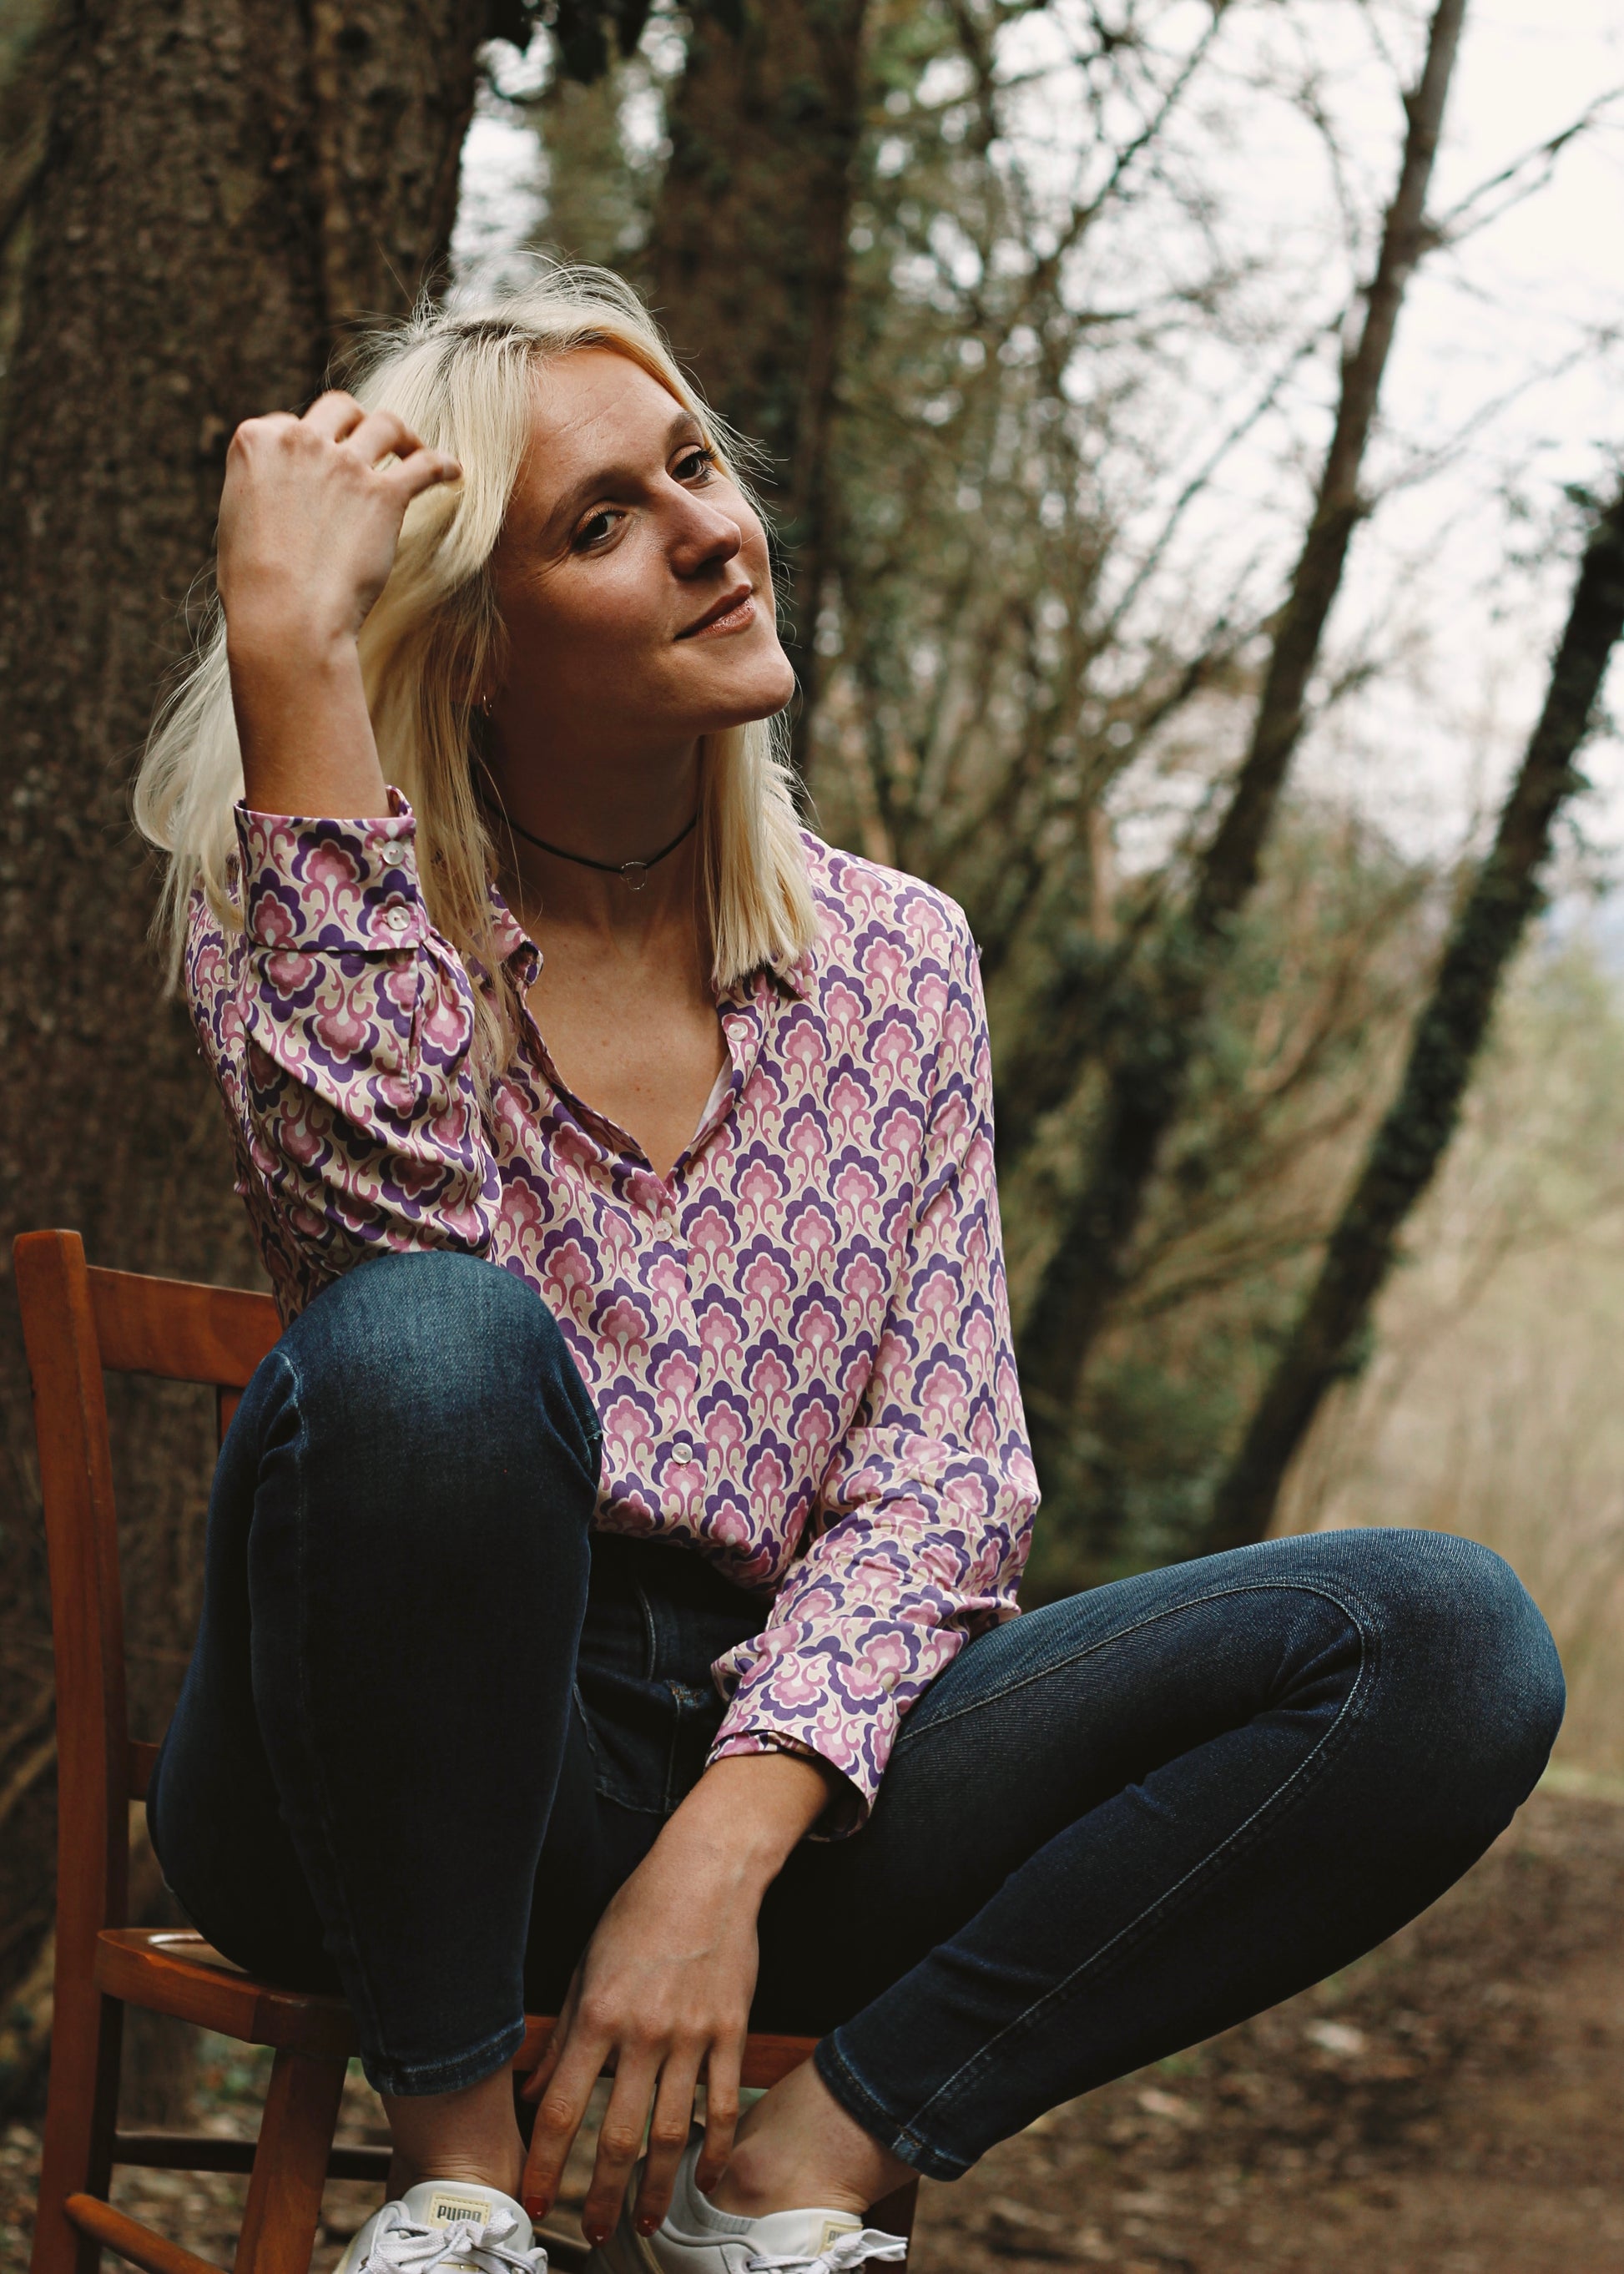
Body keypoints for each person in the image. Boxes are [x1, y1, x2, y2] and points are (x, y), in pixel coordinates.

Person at [134, 267, 1565, 2274]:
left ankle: (804, 2168)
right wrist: (296, 652)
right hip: (385, 1764)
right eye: (603, 520)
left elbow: (944, 1476)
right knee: (445, 1343)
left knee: (1443, 1634)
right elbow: (383, 1290)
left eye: (695, 465)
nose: (717, 526)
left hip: (777, 1759)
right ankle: (458, 2182)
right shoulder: (320, 903)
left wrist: (722, 1844)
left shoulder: (892, 963)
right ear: (466, 654)